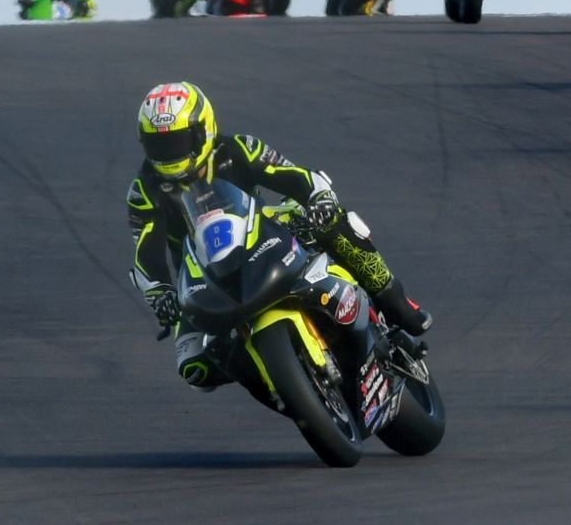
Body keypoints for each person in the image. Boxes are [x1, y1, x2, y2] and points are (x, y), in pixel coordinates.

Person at [126, 82, 432, 389]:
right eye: (159, 146)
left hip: (264, 230)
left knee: (333, 221)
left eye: (177, 142)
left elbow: (296, 176)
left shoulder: (238, 148)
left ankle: (397, 303)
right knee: (194, 369)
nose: (169, 154)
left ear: (203, 130)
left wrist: (319, 200)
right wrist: (160, 293)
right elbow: (147, 252)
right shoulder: (144, 189)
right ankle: (278, 383)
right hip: (198, 275)